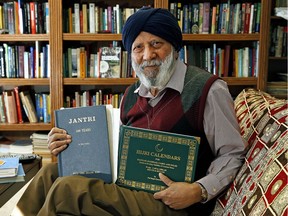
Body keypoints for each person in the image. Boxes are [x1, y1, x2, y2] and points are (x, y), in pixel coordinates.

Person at [13, 7, 246, 216]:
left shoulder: (208, 89)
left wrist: (198, 191)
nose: (147, 55)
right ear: (131, 54)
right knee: (51, 173)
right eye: (138, 48)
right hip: (131, 189)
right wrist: (68, 148)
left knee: (67, 189)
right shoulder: (131, 94)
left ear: (175, 48)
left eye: (156, 44)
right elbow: (118, 152)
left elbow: (232, 153)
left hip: (173, 202)